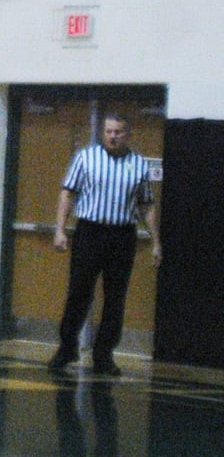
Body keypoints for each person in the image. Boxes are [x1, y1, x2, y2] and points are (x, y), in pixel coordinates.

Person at [48, 113, 160, 377]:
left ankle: (104, 354)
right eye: (109, 131)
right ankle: (67, 347)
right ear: (103, 132)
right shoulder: (85, 158)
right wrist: (60, 230)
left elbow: (147, 205)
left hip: (122, 235)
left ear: (127, 134)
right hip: (90, 231)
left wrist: (156, 241)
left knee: (115, 298)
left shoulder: (138, 164)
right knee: (79, 292)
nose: (113, 136)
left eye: (118, 132)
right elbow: (68, 193)